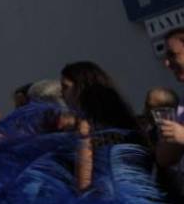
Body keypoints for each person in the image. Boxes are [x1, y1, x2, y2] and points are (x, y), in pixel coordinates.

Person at [60, 61, 146, 192]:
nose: (61, 94)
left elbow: (83, 184)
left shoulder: (87, 127)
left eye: (65, 87)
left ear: (80, 88)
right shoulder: (120, 117)